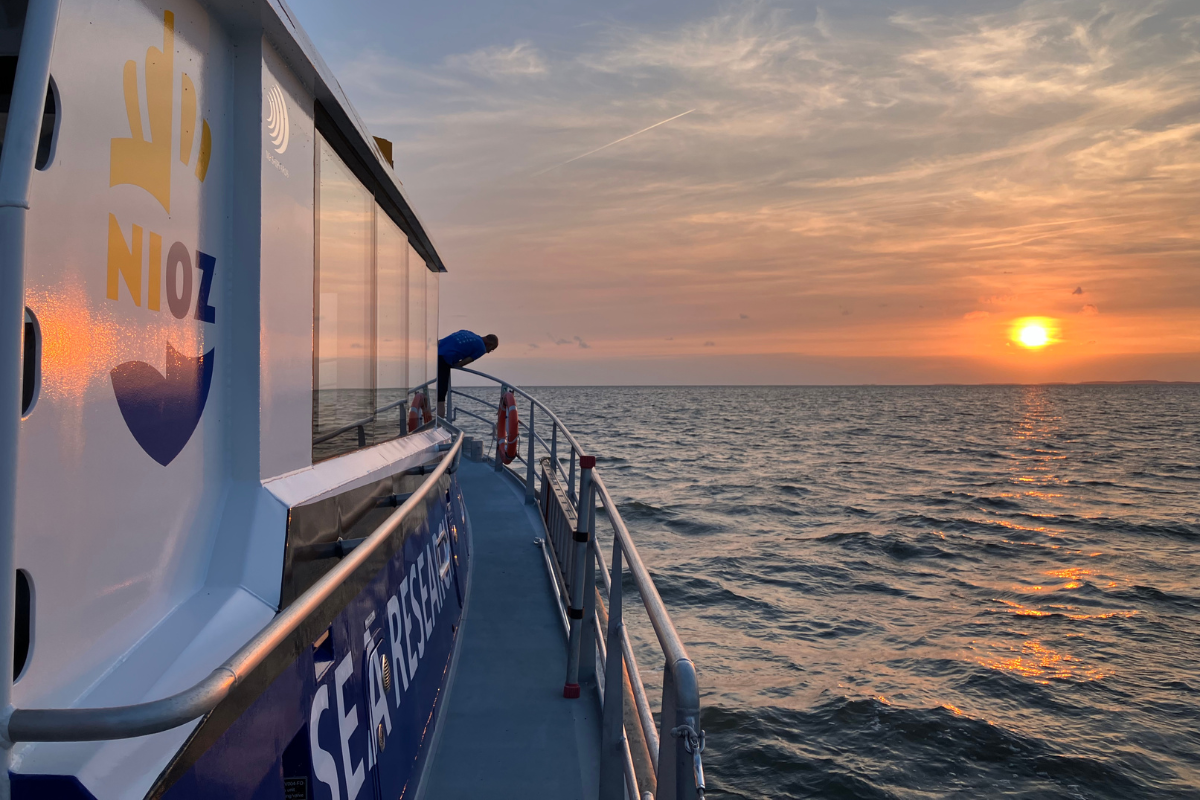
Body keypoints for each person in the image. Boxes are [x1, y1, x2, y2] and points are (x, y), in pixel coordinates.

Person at [436, 330, 498, 417]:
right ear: (490, 344)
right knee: (441, 396)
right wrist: (453, 365)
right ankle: (439, 425)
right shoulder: (482, 348)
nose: (488, 352)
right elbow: (464, 362)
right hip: (445, 358)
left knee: (432, 386)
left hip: (435, 351)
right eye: (491, 350)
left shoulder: (468, 333)